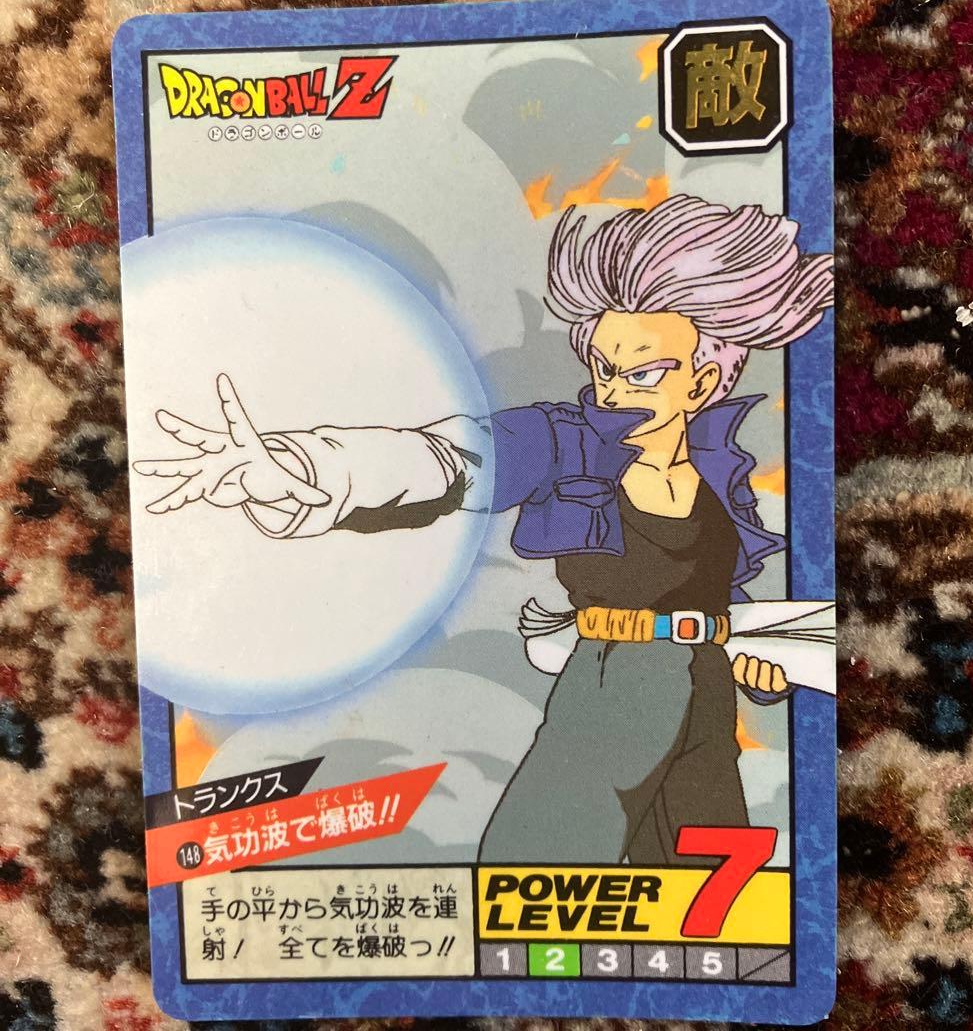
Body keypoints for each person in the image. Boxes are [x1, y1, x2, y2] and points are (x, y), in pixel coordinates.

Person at [134, 194, 833, 864]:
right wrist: (310, 469)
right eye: (604, 367)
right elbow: (452, 460)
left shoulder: (719, 476)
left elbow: (722, 598)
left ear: (703, 384)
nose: (615, 391)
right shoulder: (567, 442)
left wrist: (762, 668)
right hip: (611, 687)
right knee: (540, 877)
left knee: (716, 902)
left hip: (707, 700)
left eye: (644, 374)